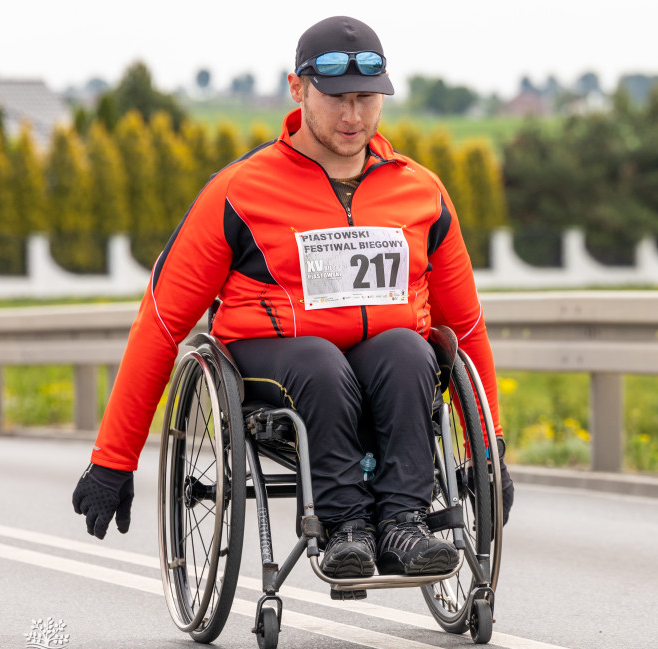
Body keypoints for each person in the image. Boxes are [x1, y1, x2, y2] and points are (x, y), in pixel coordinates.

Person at [72, 15, 514, 580]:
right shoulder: (241, 190)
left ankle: (404, 522)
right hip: (278, 359)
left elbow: (467, 326)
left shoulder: (420, 191)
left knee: (410, 350)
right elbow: (161, 320)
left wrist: (487, 447)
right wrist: (114, 459)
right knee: (320, 362)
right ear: (298, 89)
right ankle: (346, 527)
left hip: (386, 364)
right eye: (335, 99)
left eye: (366, 99)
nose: (353, 116)